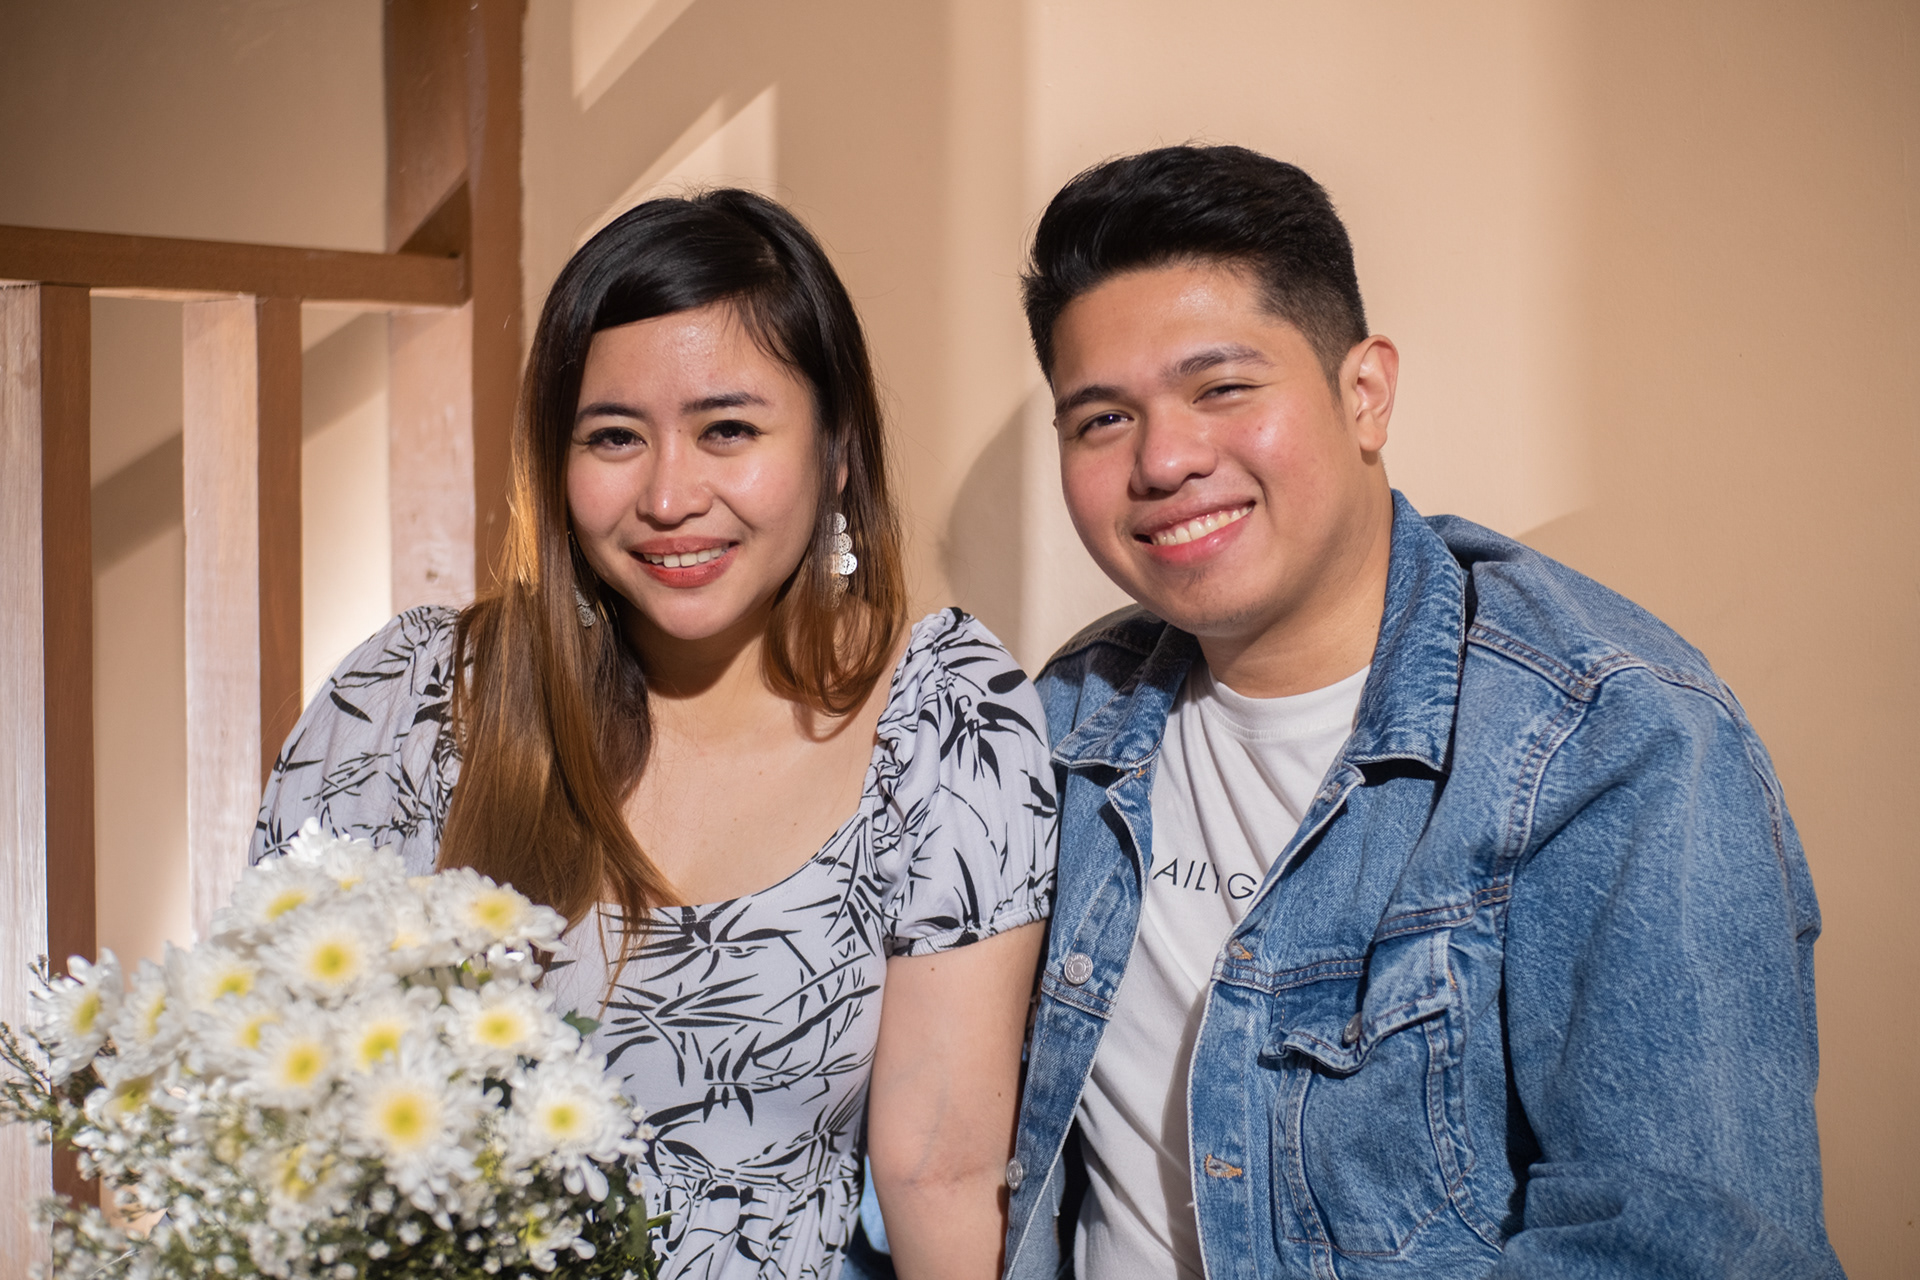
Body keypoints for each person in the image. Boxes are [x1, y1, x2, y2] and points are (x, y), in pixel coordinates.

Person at [1001, 145, 1840, 1279]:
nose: (1164, 460)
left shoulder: (1612, 739)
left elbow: (1682, 1250)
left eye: (1222, 388)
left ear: (1365, 394)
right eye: (1101, 418)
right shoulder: (1068, 721)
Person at [253, 189, 1055, 1280]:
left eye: (729, 430)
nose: (670, 496)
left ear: (836, 451)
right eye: (615, 437)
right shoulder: (411, 700)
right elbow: (278, 1110)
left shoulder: (943, 720)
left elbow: (942, 1176)